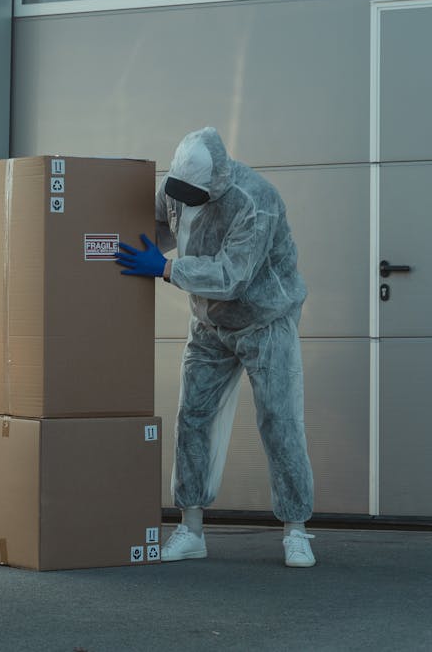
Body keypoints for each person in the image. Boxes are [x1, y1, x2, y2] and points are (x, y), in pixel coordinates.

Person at [115, 127, 316, 568]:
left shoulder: (255, 201)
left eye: (194, 195)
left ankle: (296, 530)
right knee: (194, 418)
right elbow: (155, 228)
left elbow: (232, 276)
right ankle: (190, 529)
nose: (182, 202)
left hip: (265, 320)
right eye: (178, 193)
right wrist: (112, 248)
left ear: (218, 181)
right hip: (209, 324)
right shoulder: (176, 189)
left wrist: (165, 268)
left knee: (279, 420)